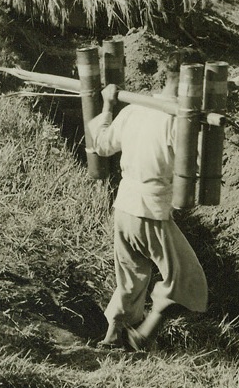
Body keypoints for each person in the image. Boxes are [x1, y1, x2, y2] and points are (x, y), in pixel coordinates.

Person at [86, 51, 209, 352]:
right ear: (192, 83)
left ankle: (113, 337)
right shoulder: (178, 119)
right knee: (188, 278)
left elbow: (101, 145)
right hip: (150, 211)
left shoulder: (134, 109)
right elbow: (194, 168)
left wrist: (106, 104)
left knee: (131, 278)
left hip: (124, 208)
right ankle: (144, 334)